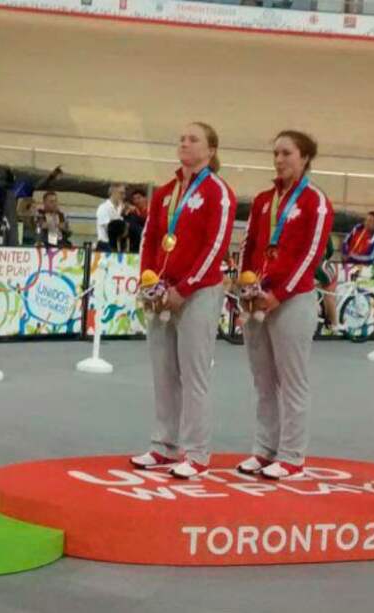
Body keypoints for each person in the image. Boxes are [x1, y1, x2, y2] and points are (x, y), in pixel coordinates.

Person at [130, 122, 236, 479]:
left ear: (210, 150)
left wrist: (184, 288)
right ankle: (163, 445)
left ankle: (196, 452)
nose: (185, 144)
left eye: (193, 140)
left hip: (199, 292)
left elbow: (215, 246)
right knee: (163, 371)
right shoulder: (164, 193)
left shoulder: (218, 193)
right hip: (162, 292)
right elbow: (150, 240)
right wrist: (148, 282)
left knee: (193, 374)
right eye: (182, 139)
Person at [236, 130, 334, 480]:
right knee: (263, 380)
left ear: (305, 158)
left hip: (292, 300)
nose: (279, 160)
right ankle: (264, 449)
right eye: (275, 153)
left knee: (292, 380)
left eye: (287, 153)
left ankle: (292, 455)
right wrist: (244, 286)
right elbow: (249, 246)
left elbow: (311, 255)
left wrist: (280, 294)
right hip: (256, 298)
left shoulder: (315, 202)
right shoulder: (264, 200)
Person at [315, 235, 341, 331]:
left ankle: (326, 318)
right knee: (329, 295)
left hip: (307, 266)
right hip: (320, 266)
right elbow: (330, 250)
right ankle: (334, 324)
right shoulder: (323, 227)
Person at [96, 183, 126, 252]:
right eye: (121, 193)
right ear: (113, 193)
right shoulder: (103, 207)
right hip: (105, 244)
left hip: (118, 245)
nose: (123, 196)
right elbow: (110, 228)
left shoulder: (120, 208)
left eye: (124, 193)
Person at [125, 188, 149, 253]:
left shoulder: (151, 211)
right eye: (134, 199)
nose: (137, 201)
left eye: (139, 198)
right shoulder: (132, 213)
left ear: (145, 198)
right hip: (135, 245)